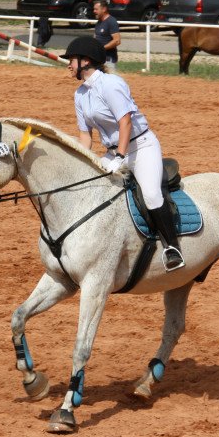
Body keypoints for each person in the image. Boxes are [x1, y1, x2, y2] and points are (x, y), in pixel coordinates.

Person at [60, 36, 185, 272]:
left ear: (86, 62)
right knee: (90, 187)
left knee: (150, 194)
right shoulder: (80, 94)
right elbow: (85, 136)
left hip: (141, 147)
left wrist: (119, 156)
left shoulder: (111, 84)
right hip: (113, 151)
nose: (68, 64)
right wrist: (81, 163)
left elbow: (125, 122)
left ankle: (172, 247)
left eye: (71, 60)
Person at [92, 0, 121, 73]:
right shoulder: (99, 22)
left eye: (96, 9)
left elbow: (117, 41)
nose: (94, 11)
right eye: (94, 9)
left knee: (111, 82)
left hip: (108, 60)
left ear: (104, 9)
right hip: (99, 59)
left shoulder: (111, 21)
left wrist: (102, 48)